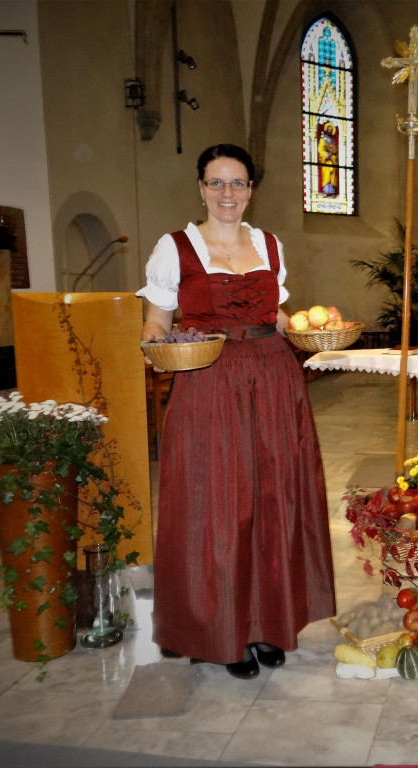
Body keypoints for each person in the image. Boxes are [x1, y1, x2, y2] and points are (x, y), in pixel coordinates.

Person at [137, 144, 336, 679]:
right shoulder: (174, 247)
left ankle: (267, 622)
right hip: (209, 379)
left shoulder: (269, 243)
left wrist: (311, 327)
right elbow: (156, 320)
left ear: (251, 189)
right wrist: (155, 345)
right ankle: (219, 631)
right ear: (201, 187)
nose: (228, 193)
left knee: (273, 499)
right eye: (217, 182)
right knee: (218, 504)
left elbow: (274, 313)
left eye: (238, 183)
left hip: (273, 380)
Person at [317, 123, 338, 196]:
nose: (330, 131)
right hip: (326, 160)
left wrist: (333, 149)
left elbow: (335, 151)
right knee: (326, 174)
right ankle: (325, 191)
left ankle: (332, 192)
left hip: (332, 160)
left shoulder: (333, 140)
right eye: (329, 129)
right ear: (326, 130)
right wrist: (326, 155)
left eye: (331, 130)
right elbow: (320, 149)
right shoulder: (323, 139)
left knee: (333, 175)